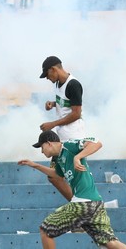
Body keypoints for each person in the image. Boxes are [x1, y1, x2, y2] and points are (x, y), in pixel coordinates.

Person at [19, 131, 126, 249]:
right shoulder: (56, 159)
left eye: (42, 147)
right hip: (95, 203)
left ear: (49, 143)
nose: (41, 151)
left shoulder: (69, 145)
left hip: (83, 203)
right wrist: (34, 165)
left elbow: (97, 143)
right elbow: (57, 175)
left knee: (46, 229)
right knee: (109, 242)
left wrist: (78, 157)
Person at [39, 55, 87, 201]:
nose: (48, 79)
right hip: (62, 138)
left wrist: (52, 124)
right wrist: (53, 104)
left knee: (72, 176)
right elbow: (66, 102)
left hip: (73, 138)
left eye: (47, 75)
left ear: (53, 69)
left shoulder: (73, 85)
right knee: (54, 176)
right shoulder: (59, 84)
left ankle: (79, 204)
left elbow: (76, 114)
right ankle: (75, 203)